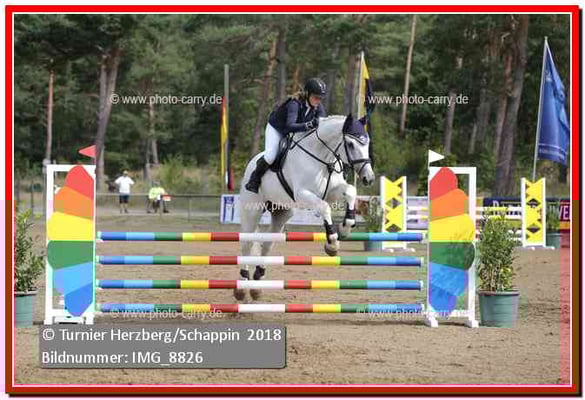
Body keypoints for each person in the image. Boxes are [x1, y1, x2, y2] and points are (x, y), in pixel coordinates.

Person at [245, 77, 328, 193]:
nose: (318, 100)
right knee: (270, 156)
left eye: (320, 98)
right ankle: (254, 179)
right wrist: (309, 124)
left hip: (296, 131)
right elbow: (290, 125)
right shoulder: (294, 104)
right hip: (277, 129)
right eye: (316, 97)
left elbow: (321, 123)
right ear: (307, 94)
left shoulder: (318, 106)